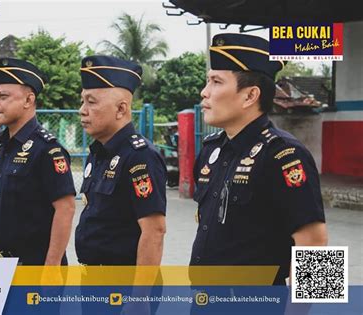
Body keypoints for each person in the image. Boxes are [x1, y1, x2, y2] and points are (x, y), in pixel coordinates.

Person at [190, 33, 328, 288]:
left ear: (250, 96)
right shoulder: (211, 150)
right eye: (208, 81)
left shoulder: (284, 154)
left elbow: (316, 244)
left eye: (216, 82)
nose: (205, 92)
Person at [75, 55, 167, 314]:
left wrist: (139, 298)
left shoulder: (139, 156)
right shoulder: (99, 153)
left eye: (91, 102)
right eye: (82, 101)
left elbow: (154, 231)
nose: (82, 110)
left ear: (121, 109)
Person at [0, 57, 76, 266]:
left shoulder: (47, 150)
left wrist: (51, 267)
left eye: (4, 96)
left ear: (28, 100)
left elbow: (66, 209)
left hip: (33, 265)